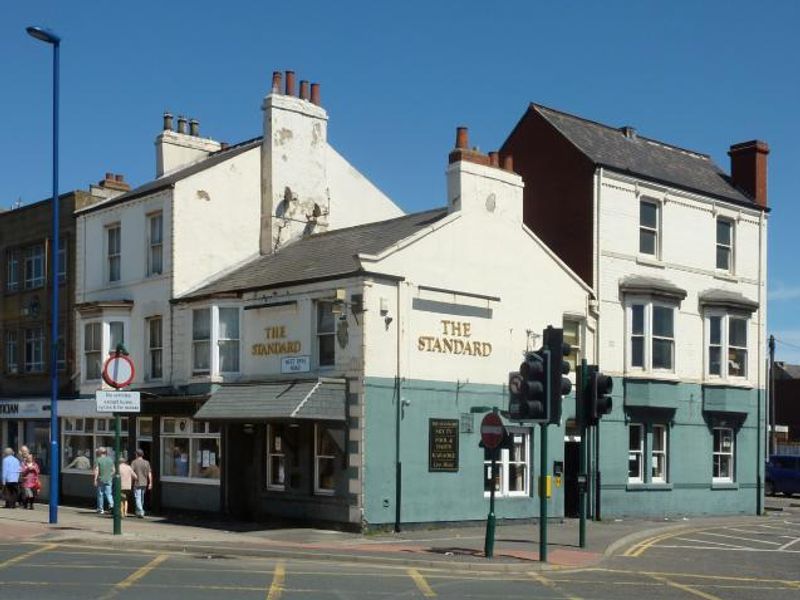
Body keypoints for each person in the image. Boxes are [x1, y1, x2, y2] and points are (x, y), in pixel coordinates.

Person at [130, 448, 152, 518]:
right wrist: (150, 483)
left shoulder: (134, 462)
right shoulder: (147, 462)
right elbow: (149, 473)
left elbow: (131, 472)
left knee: (137, 498)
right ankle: (138, 512)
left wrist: (133, 478)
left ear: (136, 454)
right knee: (141, 498)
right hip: (144, 483)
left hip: (137, 482)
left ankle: (141, 511)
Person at [93, 447, 114, 515]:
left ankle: (100, 509)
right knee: (109, 494)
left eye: (98, 451)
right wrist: (109, 475)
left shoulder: (98, 460)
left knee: (100, 494)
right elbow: (114, 470)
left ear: (100, 452)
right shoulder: (110, 460)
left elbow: (97, 470)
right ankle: (111, 506)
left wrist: (95, 479)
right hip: (109, 479)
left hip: (101, 479)